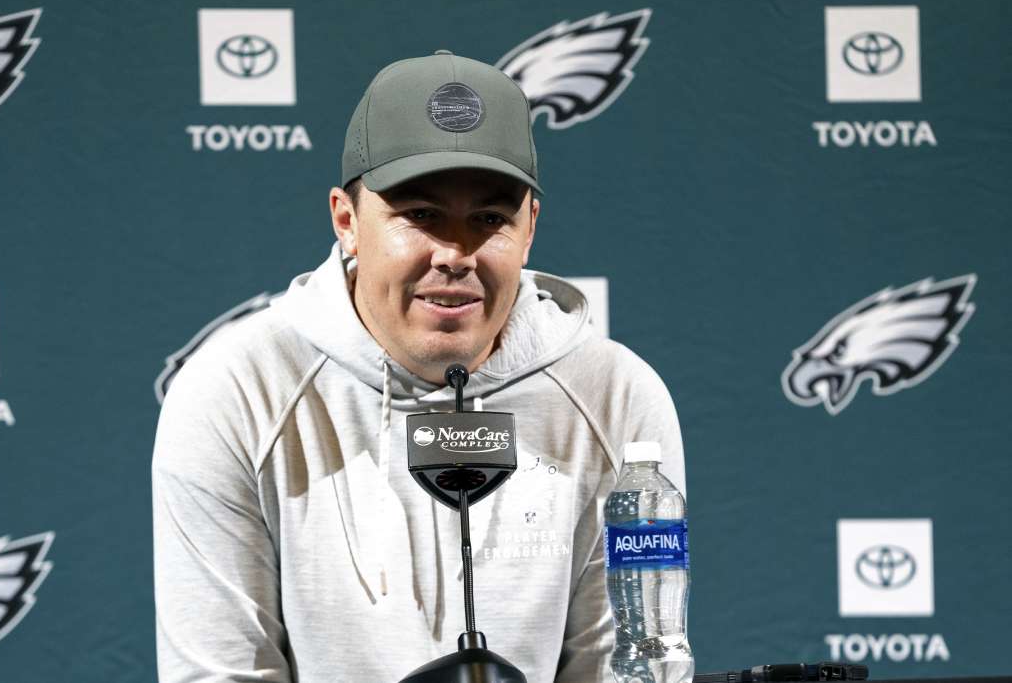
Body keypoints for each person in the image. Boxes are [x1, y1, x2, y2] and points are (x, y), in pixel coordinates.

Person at [152, 50, 685, 683]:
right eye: (420, 216)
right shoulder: (237, 389)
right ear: (347, 221)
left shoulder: (615, 396)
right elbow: (219, 672)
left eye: (490, 219)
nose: (455, 254)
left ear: (530, 229)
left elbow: (627, 668)